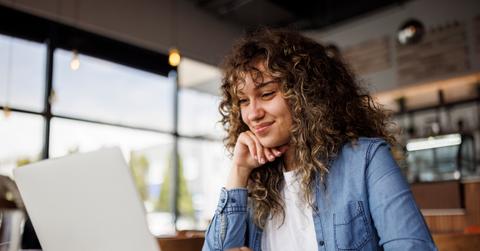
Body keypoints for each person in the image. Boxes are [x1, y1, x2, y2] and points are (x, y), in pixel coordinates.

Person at [202, 28, 437, 251]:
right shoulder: (255, 182)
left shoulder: (366, 161)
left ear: (306, 94)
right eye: (243, 101)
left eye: (266, 94)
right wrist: (239, 170)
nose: (252, 114)